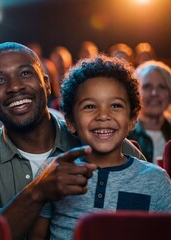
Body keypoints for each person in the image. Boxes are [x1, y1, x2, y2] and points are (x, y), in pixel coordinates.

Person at [0, 42, 145, 240]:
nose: (15, 86)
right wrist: (38, 192)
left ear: (46, 83)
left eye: (25, 73)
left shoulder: (108, 145)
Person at [29, 55, 171, 240]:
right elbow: (36, 236)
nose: (103, 115)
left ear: (131, 119)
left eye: (115, 105)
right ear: (71, 122)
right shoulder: (55, 171)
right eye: (89, 106)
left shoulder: (156, 180)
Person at [128, 61, 171, 164]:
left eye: (162, 87)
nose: (154, 93)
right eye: (147, 86)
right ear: (135, 93)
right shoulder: (124, 135)